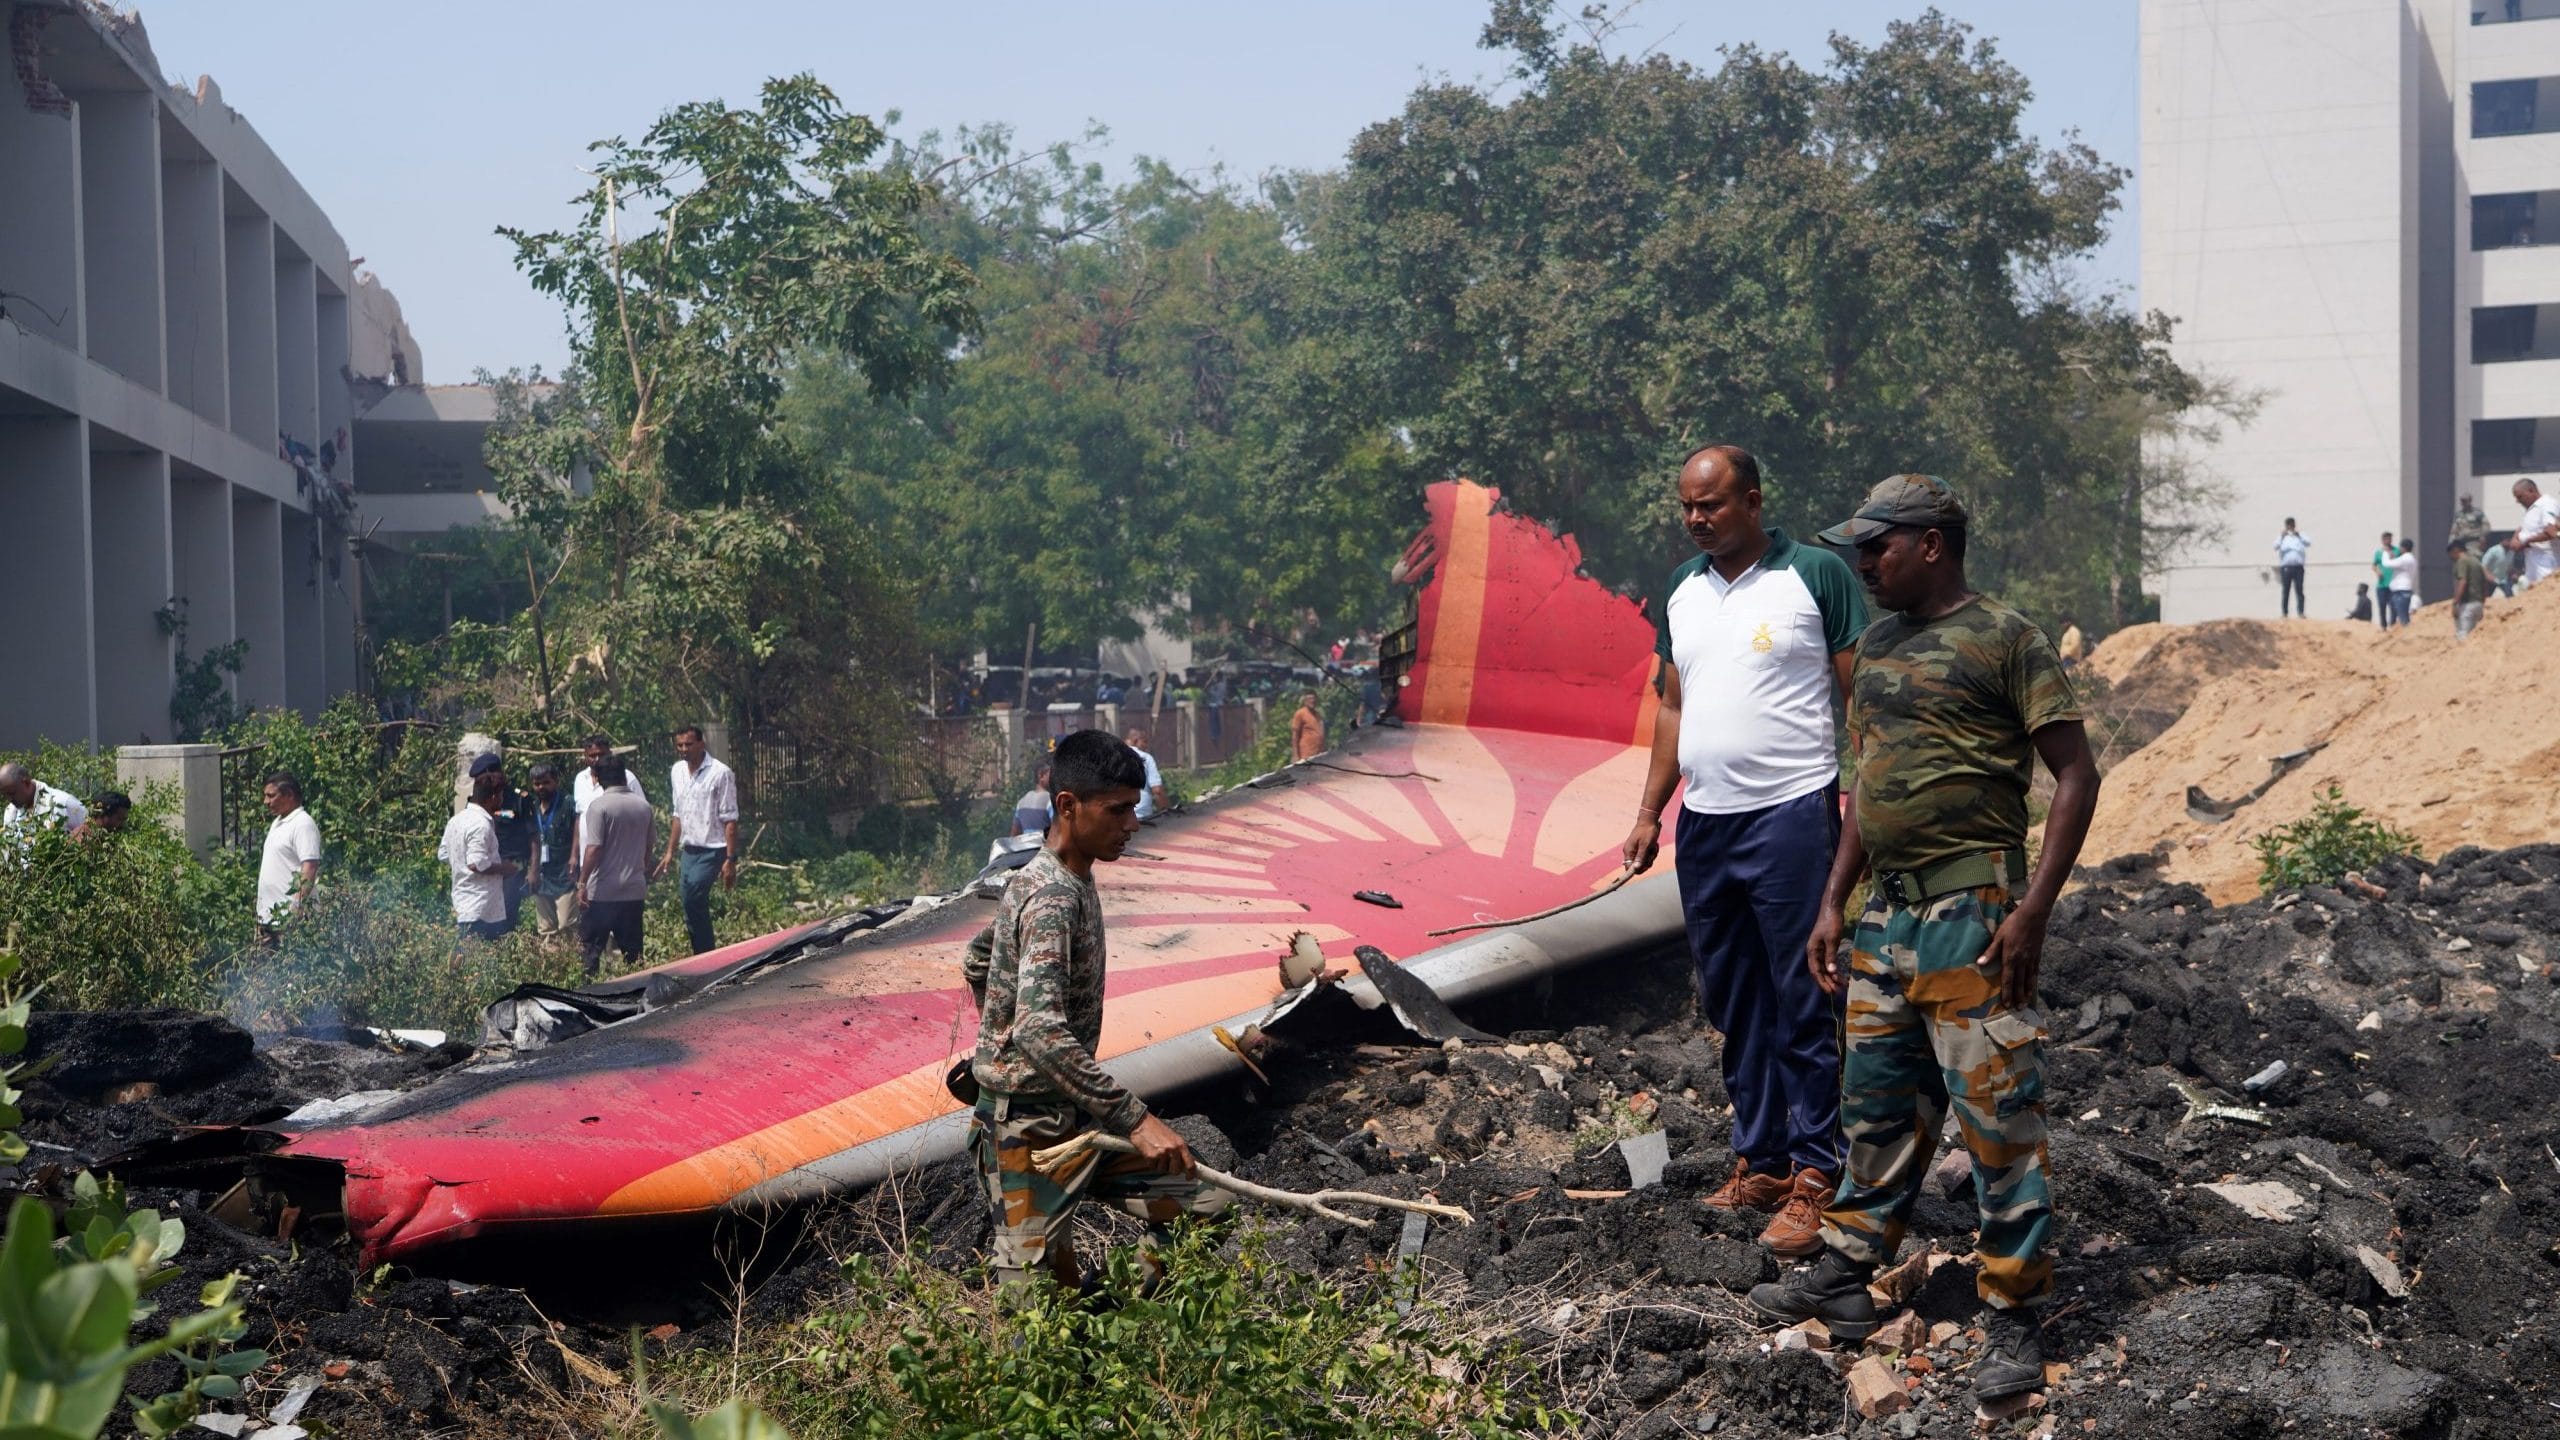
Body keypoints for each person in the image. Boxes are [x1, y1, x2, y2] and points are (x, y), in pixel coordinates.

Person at [1748, 473, 2100, 1409]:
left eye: (1878, 547)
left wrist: (2032, 910)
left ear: (1932, 543)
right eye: (1859, 549)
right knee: (1877, 1107)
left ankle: (2014, 1313)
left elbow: (2075, 774)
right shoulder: (1881, 647)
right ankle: (1849, 1273)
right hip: (1885, 921)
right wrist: (1836, 898)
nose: (1862, 564)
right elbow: (1869, 786)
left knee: (1997, 1124)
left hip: (1972, 919)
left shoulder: (2006, 638)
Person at [1621, 444, 1869, 1257]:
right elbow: (1670, 709)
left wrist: (1867, 797)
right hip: (1708, 821)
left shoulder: (1815, 577)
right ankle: (1759, 1158)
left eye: (1712, 505)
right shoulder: (1683, 593)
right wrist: (1650, 809)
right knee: (1732, 999)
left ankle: (1816, 1173)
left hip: (1791, 814)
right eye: (1687, 507)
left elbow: (1859, 695)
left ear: (1754, 501)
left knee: (1802, 995)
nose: (1697, 519)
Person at [963, 729, 1227, 1290]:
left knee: (1203, 1202)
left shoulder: (1052, 879)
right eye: (1118, 810)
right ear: (1068, 805)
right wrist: (1137, 1119)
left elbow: (978, 959)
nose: (1132, 824)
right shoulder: (1053, 897)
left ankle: (1111, 1314)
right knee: (1031, 1308)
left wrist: (994, 1036)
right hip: (1028, 1132)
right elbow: (1038, 1027)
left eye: (1134, 808)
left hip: (1076, 1114)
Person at [659, 725, 740, 956]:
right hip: (689, 849)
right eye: (680, 745)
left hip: (713, 848)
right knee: (688, 901)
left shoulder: (720, 773)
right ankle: (702, 954)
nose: (684, 749)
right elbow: (678, 813)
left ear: (701, 744)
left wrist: (731, 859)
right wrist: (670, 851)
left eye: (689, 744)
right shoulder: (677, 771)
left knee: (694, 894)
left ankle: (707, 954)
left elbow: (730, 818)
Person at [577, 754, 652, 977]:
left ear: (598, 779)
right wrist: (639, 873)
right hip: (633, 891)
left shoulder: (599, 807)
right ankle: (639, 1000)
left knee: (590, 954)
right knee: (634, 956)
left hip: (602, 893)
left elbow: (594, 849)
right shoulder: (643, 806)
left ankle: (589, 998)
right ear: (624, 776)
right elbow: (649, 848)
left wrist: (582, 882)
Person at [439, 770, 518, 946]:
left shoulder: (456, 820)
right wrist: (505, 868)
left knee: (466, 957)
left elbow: (443, 854)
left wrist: (460, 864)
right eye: (501, 794)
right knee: (477, 960)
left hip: (463, 902)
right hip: (481, 906)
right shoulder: (480, 824)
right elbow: (476, 863)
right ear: (492, 797)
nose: (502, 799)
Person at [571, 733, 646, 888]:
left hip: (619, 864)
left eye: (601, 754)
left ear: (610, 753)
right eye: (592, 755)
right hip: (588, 863)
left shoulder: (626, 777)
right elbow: (580, 818)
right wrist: (574, 854)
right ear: (585, 756)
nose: (597, 759)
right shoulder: (580, 779)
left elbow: (642, 814)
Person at [471, 753, 534, 935]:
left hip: (512, 866)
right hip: (488, 865)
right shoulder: (476, 799)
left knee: (507, 913)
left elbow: (534, 837)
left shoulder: (520, 798)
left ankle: (505, 952)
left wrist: (533, 869)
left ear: (498, 773)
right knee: (484, 915)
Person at [255, 772, 321, 939]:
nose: (266, 802)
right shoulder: (278, 822)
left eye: (271, 796)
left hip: (289, 921)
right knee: (261, 965)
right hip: (269, 918)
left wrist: (296, 906)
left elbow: (309, 867)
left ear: (289, 795)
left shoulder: (302, 824)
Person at [526, 763, 580, 936]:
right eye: (537, 783)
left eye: (546, 782)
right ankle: (551, 963)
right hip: (541, 875)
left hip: (564, 875)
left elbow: (578, 832)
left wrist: (574, 856)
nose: (541, 787)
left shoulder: (568, 803)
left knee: (567, 925)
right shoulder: (531, 806)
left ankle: (571, 962)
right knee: (546, 929)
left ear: (556, 781)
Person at [0, 763, 88, 852]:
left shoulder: (63, 802)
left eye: (12, 793)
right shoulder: (10, 812)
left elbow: (92, 826)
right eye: (5, 795)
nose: (9, 799)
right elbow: (8, 851)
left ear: (26, 782)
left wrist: (74, 841)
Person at [2508, 478, 2559, 589]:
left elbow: (2551, 531)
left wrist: (2526, 541)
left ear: (2531, 490)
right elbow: (2523, 529)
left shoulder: (2547, 504)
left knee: (2547, 591)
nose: (2518, 501)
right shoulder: (2532, 509)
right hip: (2532, 561)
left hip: (2546, 561)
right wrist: (2515, 539)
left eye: (2520, 496)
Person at [1123, 727, 1169, 820]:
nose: (1146, 745)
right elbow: (1157, 790)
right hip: (1142, 817)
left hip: (1119, 818)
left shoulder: (1115, 756)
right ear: (1136, 740)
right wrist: (1166, 811)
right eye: (1144, 741)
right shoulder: (1146, 758)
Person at [2450, 541, 2492, 641]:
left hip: (2467, 604)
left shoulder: (2462, 561)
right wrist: (2483, 600)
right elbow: (2485, 581)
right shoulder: (2476, 561)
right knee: (2474, 636)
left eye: (2451, 554)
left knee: (2463, 635)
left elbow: (2462, 581)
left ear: (2456, 550)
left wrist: (2455, 602)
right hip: (2479, 603)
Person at [2273, 519, 2310, 617]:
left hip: (2298, 567)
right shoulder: (2283, 537)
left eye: (2292, 525)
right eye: (2288, 525)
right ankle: (2285, 613)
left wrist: (2299, 535)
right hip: (2286, 567)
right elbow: (2275, 546)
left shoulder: (2300, 536)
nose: (2290, 527)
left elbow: (2308, 543)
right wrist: (2282, 536)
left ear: (2294, 525)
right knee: (2286, 590)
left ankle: (2301, 612)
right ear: (2286, 526)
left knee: (2299, 590)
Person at [1012, 765, 1054, 837]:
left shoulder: (1021, 802)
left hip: (1025, 847)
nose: (1054, 778)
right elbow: (1057, 829)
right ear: (1041, 776)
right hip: (1044, 846)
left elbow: (1014, 833)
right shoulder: (1049, 800)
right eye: (1051, 774)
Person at [2384, 540, 2418, 629]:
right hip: (2403, 591)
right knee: (2400, 617)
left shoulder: (2405, 559)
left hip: (2400, 592)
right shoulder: (2411, 559)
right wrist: (2393, 557)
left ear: (2403, 548)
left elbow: (2386, 564)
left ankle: (2406, 636)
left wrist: (2385, 553)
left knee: (2402, 618)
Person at [2370, 532, 2397, 630]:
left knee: (2393, 606)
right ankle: (2383, 626)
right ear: (2382, 540)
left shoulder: (2396, 551)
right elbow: (2373, 565)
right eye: (2386, 539)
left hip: (2393, 584)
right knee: (2382, 606)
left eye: (2389, 538)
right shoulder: (2379, 553)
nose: (2388, 540)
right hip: (2381, 585)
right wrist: (2378, 572)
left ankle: (2393, 625)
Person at [1290, 693, 1327, 761]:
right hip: (1306, 754)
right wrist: (1295, 755)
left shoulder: (1318, 715)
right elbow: (1295, 736)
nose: (1312, 701)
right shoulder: (1300, 713)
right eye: (1310, 699)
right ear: (1305, 701)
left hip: (1318, 754)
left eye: (1314, 699)